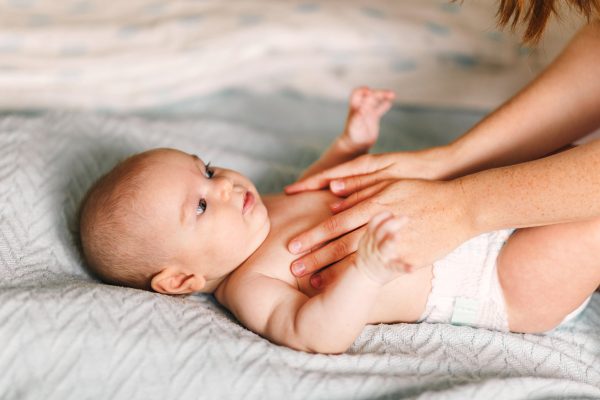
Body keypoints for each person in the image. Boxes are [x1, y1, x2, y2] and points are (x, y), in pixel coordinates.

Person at [79, 88, 595, 354]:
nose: (224, 186)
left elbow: (325, 184)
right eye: (200, 206)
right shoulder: (250, 286)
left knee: (564, 158)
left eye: (208, 170)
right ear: (181, 279)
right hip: (497, 282)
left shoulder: (263, 210)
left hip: (482, 212)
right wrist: (366, 273)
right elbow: (315, 335)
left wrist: (353, 141)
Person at [284, 2, 600, 326]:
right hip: (500, 279)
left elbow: (312, 331)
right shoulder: (245, 280)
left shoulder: (254, 275)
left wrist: (461, 208)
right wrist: (452, 162)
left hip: (496, 282)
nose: (226, 187)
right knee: (569, 166)